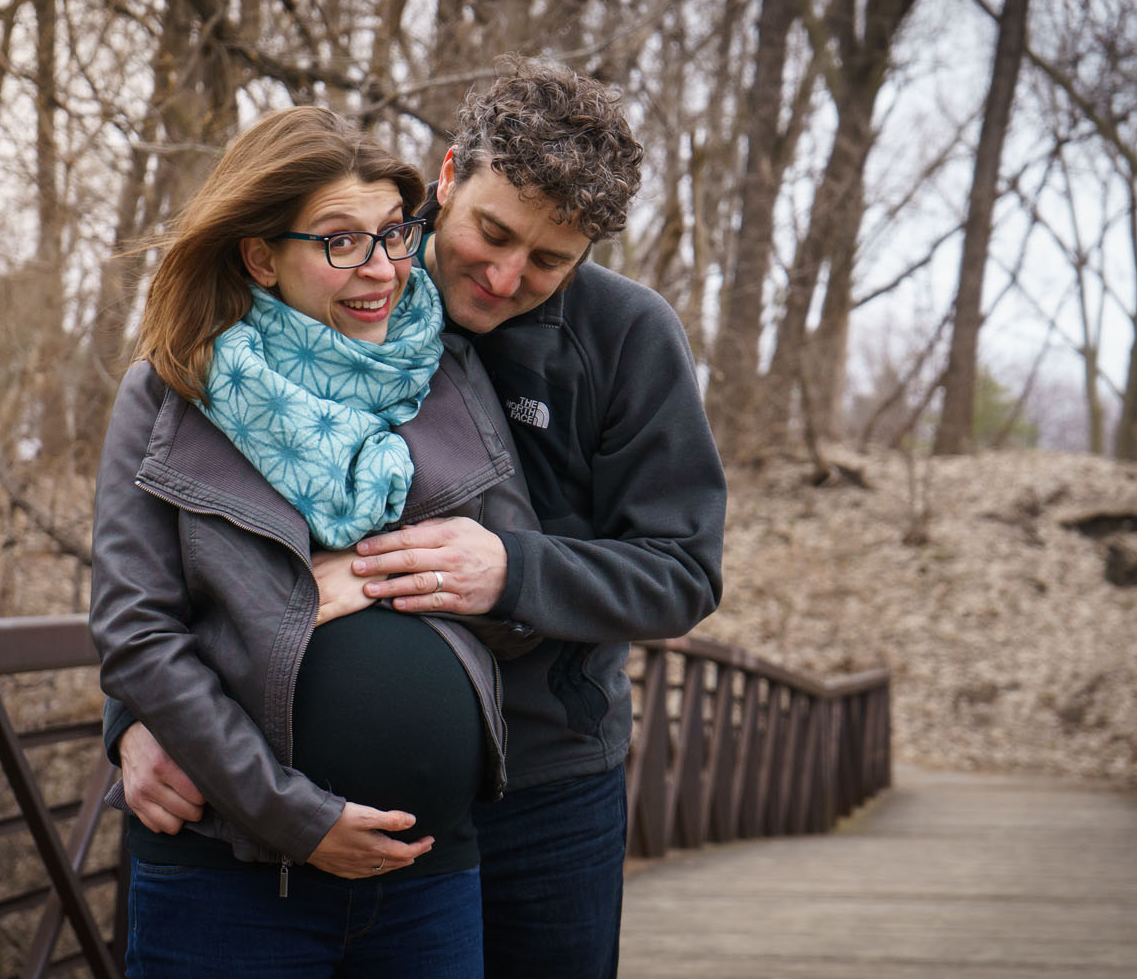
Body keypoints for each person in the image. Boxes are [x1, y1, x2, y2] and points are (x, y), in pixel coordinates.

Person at [110, 57, 728, 978]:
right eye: (492, 232)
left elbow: (684, 571)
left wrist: (511, 572)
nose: (508, 274)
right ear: (446, 179)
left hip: (545, 781)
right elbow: (187, 530)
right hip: (277, 804)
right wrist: (133, 715)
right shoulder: (345, 292)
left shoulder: (626, 338)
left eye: (550, 261)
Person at [89, 105, 542, 978]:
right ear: (262, 255)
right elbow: (137, 636)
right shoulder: (170, 392)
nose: (382, 270)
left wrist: (404, 580)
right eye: (341, 242)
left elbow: (519, 606)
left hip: (431, 876)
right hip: (232, 880)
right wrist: (298, 819)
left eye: (393, 235)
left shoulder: (446, 373)